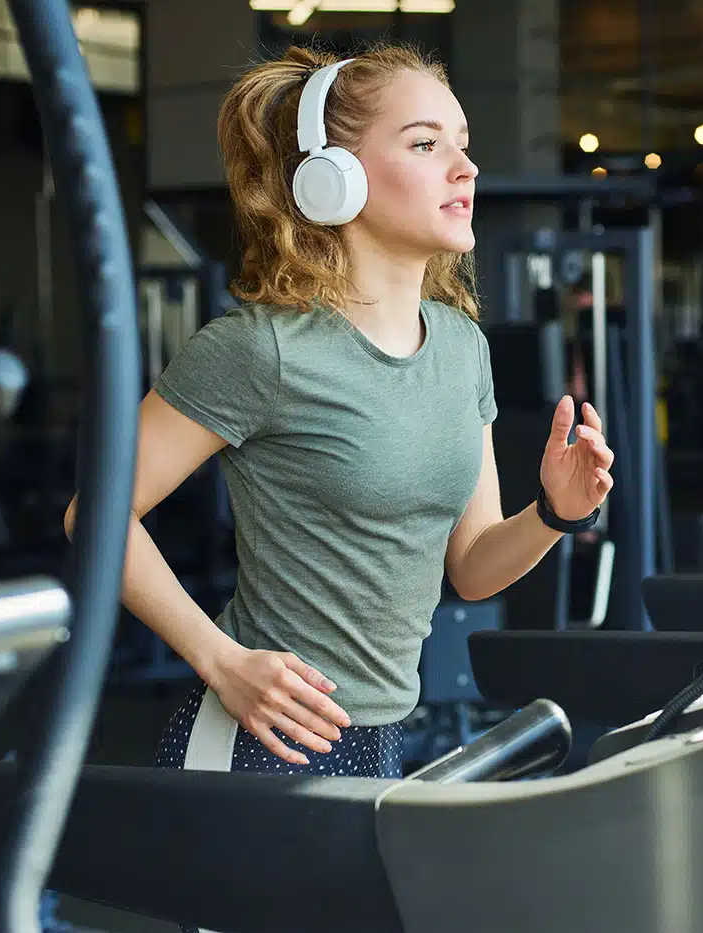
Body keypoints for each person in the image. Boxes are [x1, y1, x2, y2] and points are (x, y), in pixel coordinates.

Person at [63, 42, 614, 783]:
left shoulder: (461, 347)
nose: (465, 168)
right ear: (334, 176)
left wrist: (554, 514)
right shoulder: (262, 349)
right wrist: (220, 660)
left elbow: (473, 567)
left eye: (462, 144)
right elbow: (95, 513)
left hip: (380, 740)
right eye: (425, 144)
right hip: (257, 740)